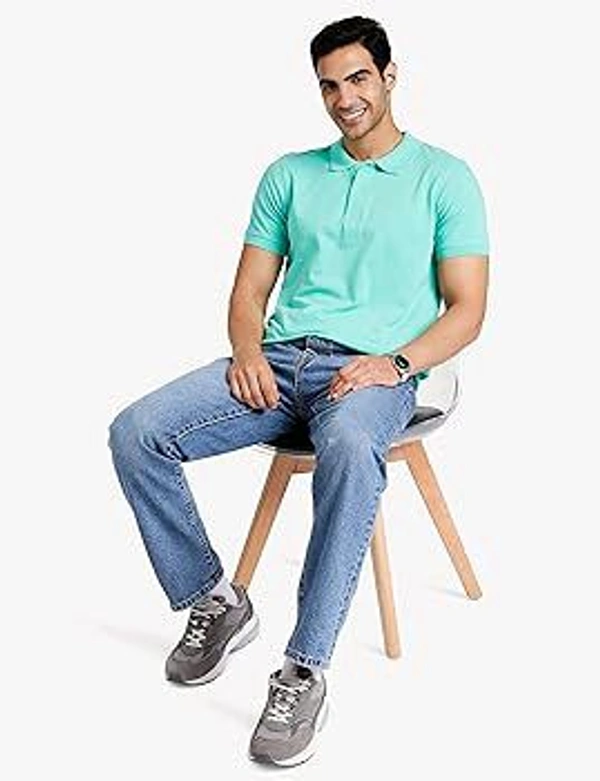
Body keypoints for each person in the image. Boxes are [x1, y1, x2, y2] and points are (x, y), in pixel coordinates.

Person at [108, 14, 489, 768]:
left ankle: (303, 670)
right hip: (281, 363)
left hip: (373, 371)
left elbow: (467, 309)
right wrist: (248, 351)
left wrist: (395, 364)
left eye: (358, 79)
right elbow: (249, 291)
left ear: (389, 76)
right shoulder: (289, 174)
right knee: (136, 431)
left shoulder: (445, 177)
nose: (345, 99)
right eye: (329, 86)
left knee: (348, 447)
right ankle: (215, 599)